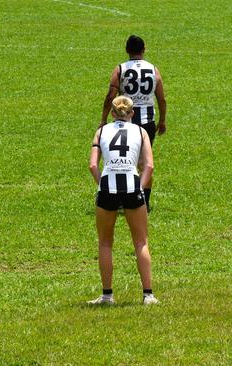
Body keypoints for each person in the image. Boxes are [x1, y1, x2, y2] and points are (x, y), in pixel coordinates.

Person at [88, 96, 159, 305]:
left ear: (112, 113)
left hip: (108, 188)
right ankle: (148, 294)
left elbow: (93, 165)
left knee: (105, 242)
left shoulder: (101, 131)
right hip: (132, 187)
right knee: (141, 241)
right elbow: (149, 166)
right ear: (132, 113)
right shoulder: (140, 131)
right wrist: (140, 187)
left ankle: (107, 295)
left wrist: (102, 183)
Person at [101, 35, 167, 213]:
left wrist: (103, 119)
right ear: (143, 49)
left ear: (126, 50)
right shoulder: (153, 69)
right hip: (147, 121)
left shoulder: (120, 69)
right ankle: (143, 201)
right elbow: (161, 98)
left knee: (124, 159)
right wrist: (162, 120)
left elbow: (110, 96)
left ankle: (123, 197)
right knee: (144, 163)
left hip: (124, 118)